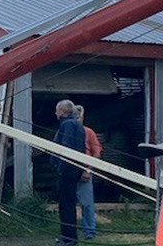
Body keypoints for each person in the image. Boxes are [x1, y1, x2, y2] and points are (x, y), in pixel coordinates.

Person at [52, 99, 86, 244]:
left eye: (57, 110)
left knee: (66, 205)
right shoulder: (76, 124)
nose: (55, 113)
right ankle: (68, 236)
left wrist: (60, 168)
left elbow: (66, 148)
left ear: (62, 111)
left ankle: (69, 238)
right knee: (68, 203)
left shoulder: (68, 125)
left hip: (68, 170)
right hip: (73, 169)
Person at [75, 105, 102, 241]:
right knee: (68, 203)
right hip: (70, 171)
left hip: (84, 172)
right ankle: (69, 230)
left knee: (86, 204)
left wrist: (88, 170)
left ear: (82, 118)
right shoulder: (66, 131)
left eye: (78, 117)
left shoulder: (88, 132)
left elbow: (96, 153)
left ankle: (89, 232)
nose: (76, 120)